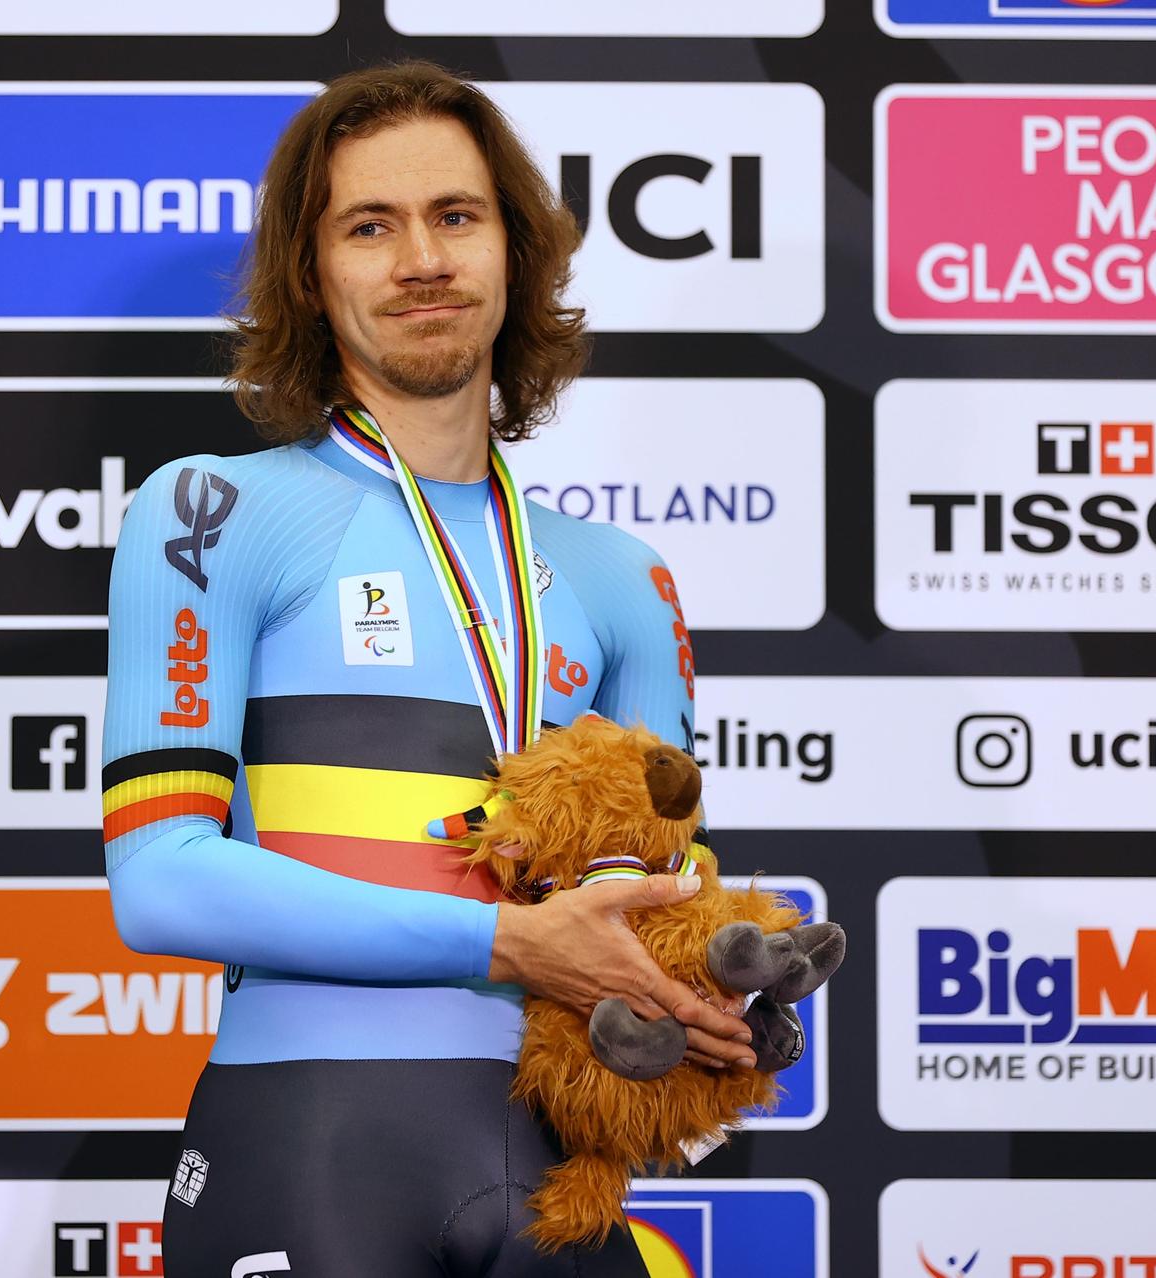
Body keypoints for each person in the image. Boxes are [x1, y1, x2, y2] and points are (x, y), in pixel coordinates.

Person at [102, 60, 755, 1276]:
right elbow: (161, 882)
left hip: (561, 1160)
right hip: (309, 1145)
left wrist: (714, 1000)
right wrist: (505, 946)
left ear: (516, 251)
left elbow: (670, 886)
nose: (422, 260)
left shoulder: (623, 576)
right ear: (311, 274)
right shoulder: (208, 515)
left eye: (457, 216)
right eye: (370, 226)